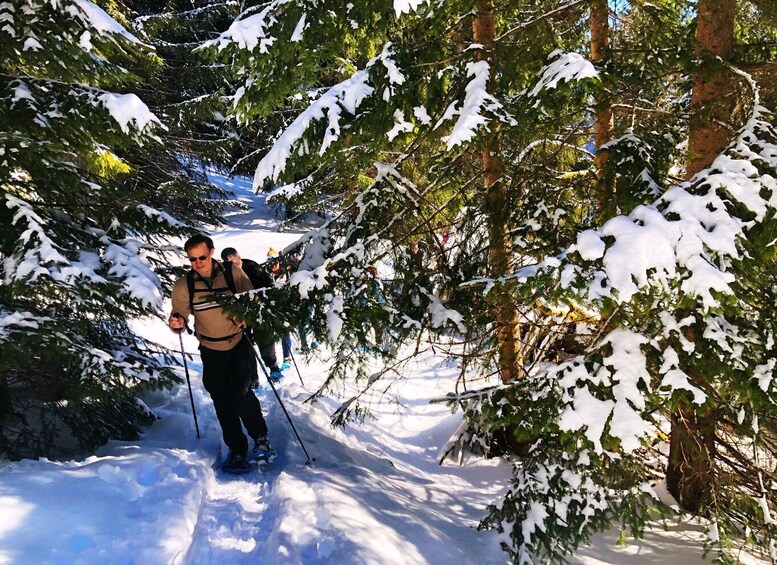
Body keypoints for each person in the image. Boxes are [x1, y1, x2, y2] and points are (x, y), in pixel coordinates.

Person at [168, 234, 273, 474]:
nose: (198, 263)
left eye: (202, 257)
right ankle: (237, 448)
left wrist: (245, 314)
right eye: (192, 259)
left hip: (239, 344)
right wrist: (177, 323)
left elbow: (252, 301)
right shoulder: (185, 285)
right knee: (221, 398)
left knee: (242, 394)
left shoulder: (232, 274)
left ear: (211, 252)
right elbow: (179, 314)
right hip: (210, 348)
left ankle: (261, 438)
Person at [222, 247, 293, 373]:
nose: (234, 267)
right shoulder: (226, 273)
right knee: (246, 345)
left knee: (265, 340)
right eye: (230, 265)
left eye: (235, 263)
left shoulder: (252, 267)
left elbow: (268, 285)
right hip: (241, 314)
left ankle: (273, 367)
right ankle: (253, 376)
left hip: (259, 310)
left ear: (239, 257)